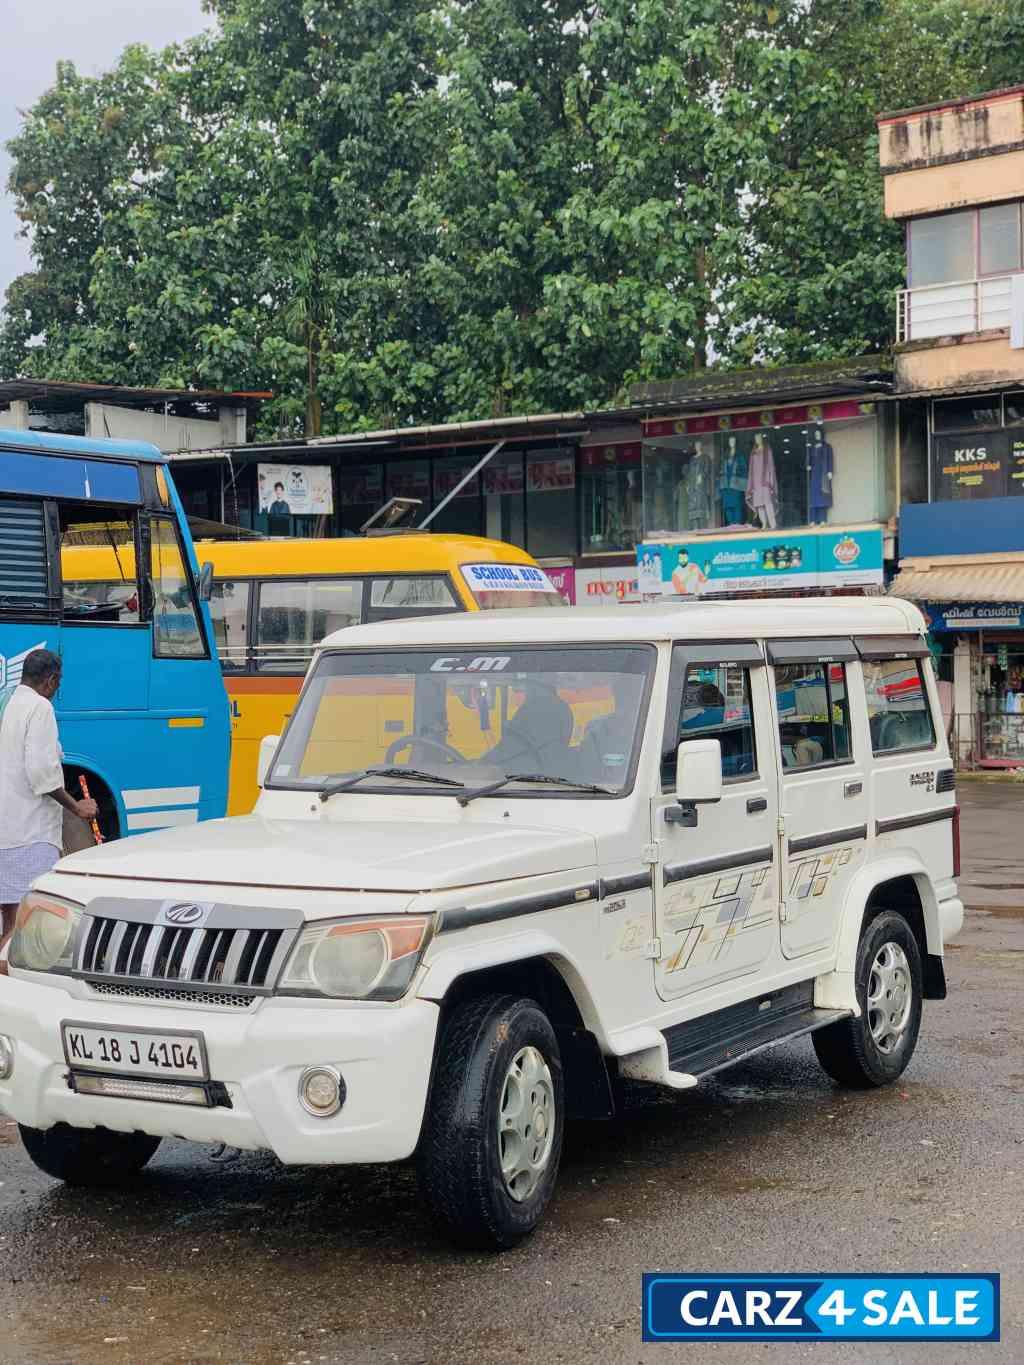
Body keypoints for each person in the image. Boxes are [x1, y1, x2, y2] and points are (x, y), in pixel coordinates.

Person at [0, 649, 97, 974]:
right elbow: (41, 773)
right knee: (23, 928)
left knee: (11, 921)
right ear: (51, 679)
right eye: (58, 682)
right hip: (30, 834)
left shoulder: (11, 701)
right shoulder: (40, 708)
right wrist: (78, 807)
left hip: (7, 832)